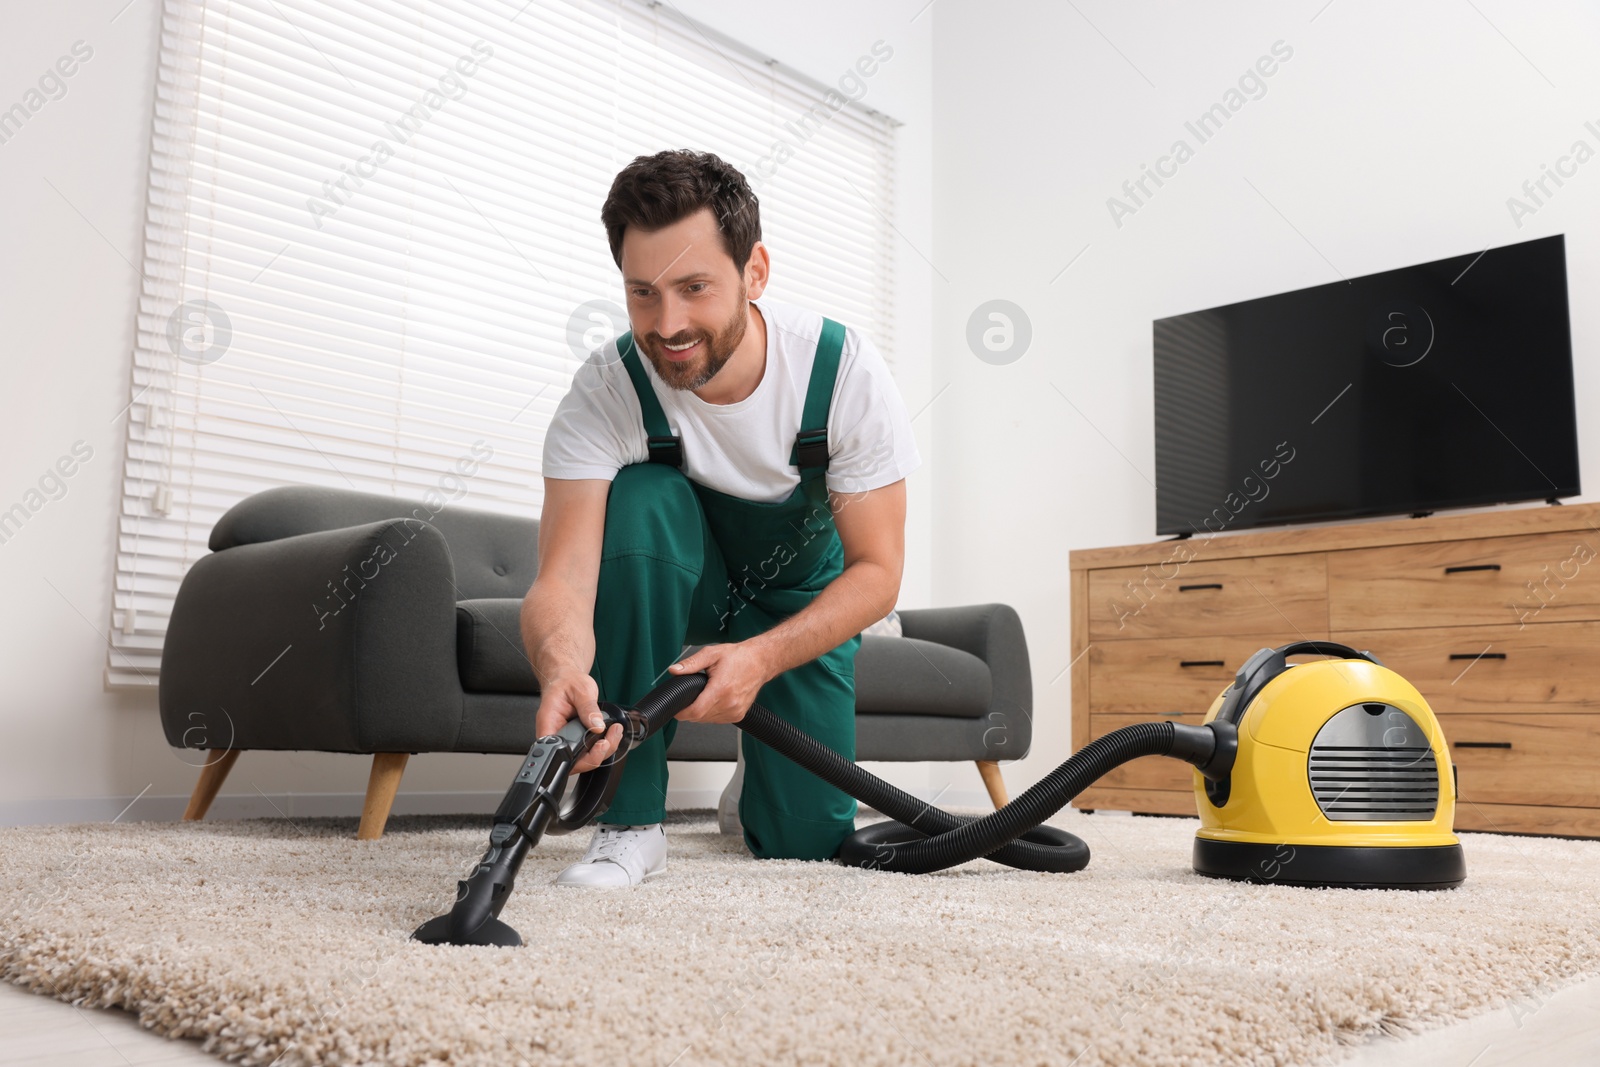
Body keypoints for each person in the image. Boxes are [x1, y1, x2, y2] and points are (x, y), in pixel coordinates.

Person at [523, 149, 920, 887]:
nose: (667, 324)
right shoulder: (608, 390)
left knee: (803, 843)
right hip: (686, 581)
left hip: (795, 598)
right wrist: (560, 666)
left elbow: (879, 573)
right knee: (642, 496)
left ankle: (761, 784)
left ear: (755, 272)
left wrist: (762, 658)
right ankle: (630, 825)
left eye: (694, 287)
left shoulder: (842, 374)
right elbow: (564, 581)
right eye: (643, 293)